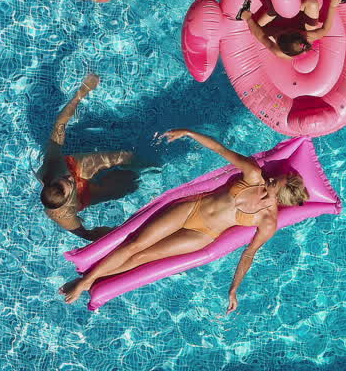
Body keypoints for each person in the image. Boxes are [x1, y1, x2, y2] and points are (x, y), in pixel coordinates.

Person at [61, 128, 309, 312]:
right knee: (135, 244)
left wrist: (234, 289)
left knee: (141, 257)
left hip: (201, 236)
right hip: (192, 209)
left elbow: (249, 254)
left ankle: (95, 280)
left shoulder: (268, 222)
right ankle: (85, 281)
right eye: (277, 176)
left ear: (279, 198)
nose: (272, 177)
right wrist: (189, 133)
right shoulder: (254, 174)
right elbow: (220, 149)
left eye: (275, 182)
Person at [38, 73, 137, 241]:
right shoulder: (64, 215)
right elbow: (88, 234)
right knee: (130, 184)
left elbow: (60, 123)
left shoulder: (53, 165)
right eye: (70, 183)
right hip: (84, 195)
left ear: (52, 180)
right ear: (68, 199)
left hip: (75, 165)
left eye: (63, 178)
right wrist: (118, 234)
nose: (69, 178)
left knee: (127, 157)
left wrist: (82, 92)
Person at [237, 0, 346, 59]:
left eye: (282, 34)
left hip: (275, 24)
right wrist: (332, 5)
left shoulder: (278, 50)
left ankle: (277, 9)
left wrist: (248, 18)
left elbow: (260, 36)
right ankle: (289, 7)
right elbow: (325, 29)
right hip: (294, 21)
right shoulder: (306, 37)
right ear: (299, 33)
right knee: (312, 4)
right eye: (289, 30)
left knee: (256, 29)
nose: (286, 29)